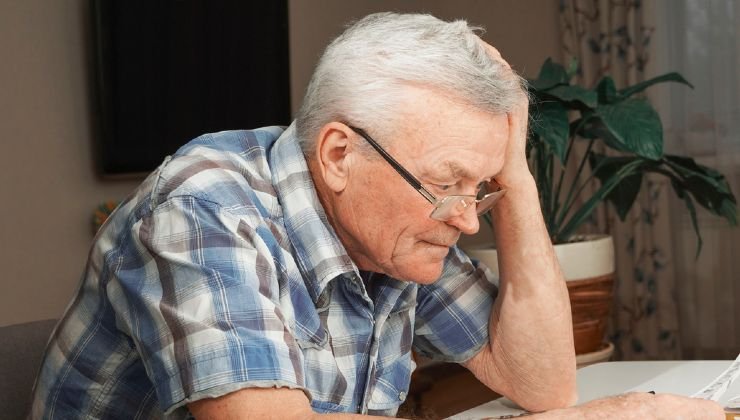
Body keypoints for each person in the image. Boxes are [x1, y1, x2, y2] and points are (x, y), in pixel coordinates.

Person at [30, 12, 723, 420]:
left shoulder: (392, 226)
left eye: (477, 187)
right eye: (447, 184)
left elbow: (542, 381)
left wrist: (513, 175)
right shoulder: (204, 208)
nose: (468, 220)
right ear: (339, 155)